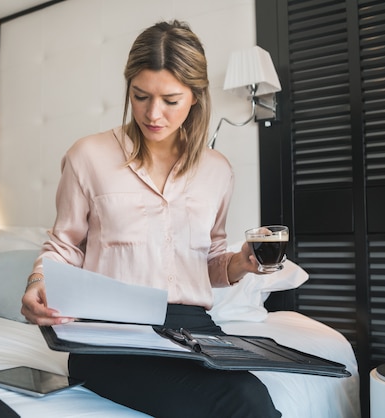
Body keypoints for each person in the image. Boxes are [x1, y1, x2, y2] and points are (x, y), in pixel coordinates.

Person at [21, 20, 282, 418]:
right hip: (108, 331)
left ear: (195, 97)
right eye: (140, 96)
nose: (152, 113)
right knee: (241, 403)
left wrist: (240, 264)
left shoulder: (218, 170)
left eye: (170, 100)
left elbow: (209, 261)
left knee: (250, 393)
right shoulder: (87, 156)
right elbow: (64, 245)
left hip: (191, 327)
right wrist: (38, 282)